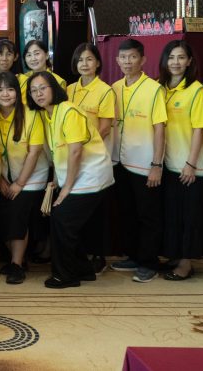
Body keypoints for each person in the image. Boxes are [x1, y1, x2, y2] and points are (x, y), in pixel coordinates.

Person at [26, 71, 114, 288]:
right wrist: (58, 180)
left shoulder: (68, 110)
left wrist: (66, 188)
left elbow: (75, 152)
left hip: (91, 175)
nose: (38, 93)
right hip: (77, 176)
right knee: (63, 222)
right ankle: (83, 270)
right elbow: (60, 151)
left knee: (62, 219)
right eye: (33, 90)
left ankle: (66, 275)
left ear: (54, 89)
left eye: (43, 88)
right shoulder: (49, 114)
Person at [110, 38, 167, 284]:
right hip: (120, 161)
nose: (128, 62)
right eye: (123, 57)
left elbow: (160, 128)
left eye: (132, 57)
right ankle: (133, 256)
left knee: (148, 215)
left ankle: (149, 262)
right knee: (127, 212)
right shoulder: (114, 88)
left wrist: (157, 165)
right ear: (117, 60)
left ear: (143, 60)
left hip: (144, 163)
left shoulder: (154, 89)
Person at [157, 40, 203, 281]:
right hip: (168, 163)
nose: (175, 62)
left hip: (189, 165)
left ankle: (186, 264)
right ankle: (176, 256)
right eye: (171, 57)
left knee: (189, 216)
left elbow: (199, 129)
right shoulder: (161, 88)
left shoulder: (196, 90)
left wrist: (191, 163)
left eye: (180, 58)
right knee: (172, 214)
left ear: (189, 62)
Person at [0, 71, 47, 285]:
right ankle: (17, 259)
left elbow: (34, 152)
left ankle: (17, 264)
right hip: (4, 175)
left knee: (17, 213)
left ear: (18, 92)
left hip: (31, 176)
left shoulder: (31, 114)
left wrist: (19, 183)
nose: (5, 94)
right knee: (0, 216)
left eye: (10, 89)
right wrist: (1, 181)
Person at [65, 42, 116, 274]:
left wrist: (82, 146)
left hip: (92, 157)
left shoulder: (105, 90)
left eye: (89, 59)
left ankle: (98, 255)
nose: (84, 64)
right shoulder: (69, 89)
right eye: (80, 60)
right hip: (71, 156)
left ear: (98, 63)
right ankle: (80, 254)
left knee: (95, 210)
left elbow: (104, 127)